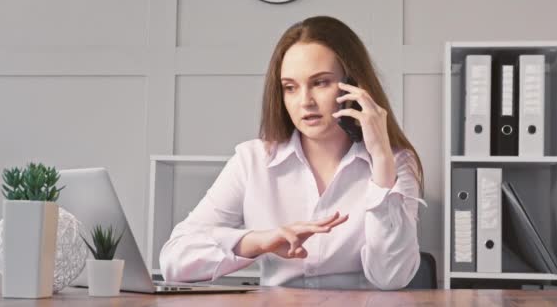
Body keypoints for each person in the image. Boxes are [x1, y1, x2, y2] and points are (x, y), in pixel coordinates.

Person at [159, 15, 427, 290]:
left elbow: (392, 277)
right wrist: (259, 241)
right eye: (290, 87)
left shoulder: (396, 163)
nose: (305, 102)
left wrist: (381, 159)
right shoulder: (252, 161)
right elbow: (175, 259)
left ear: (354, 85)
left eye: (320, 82)